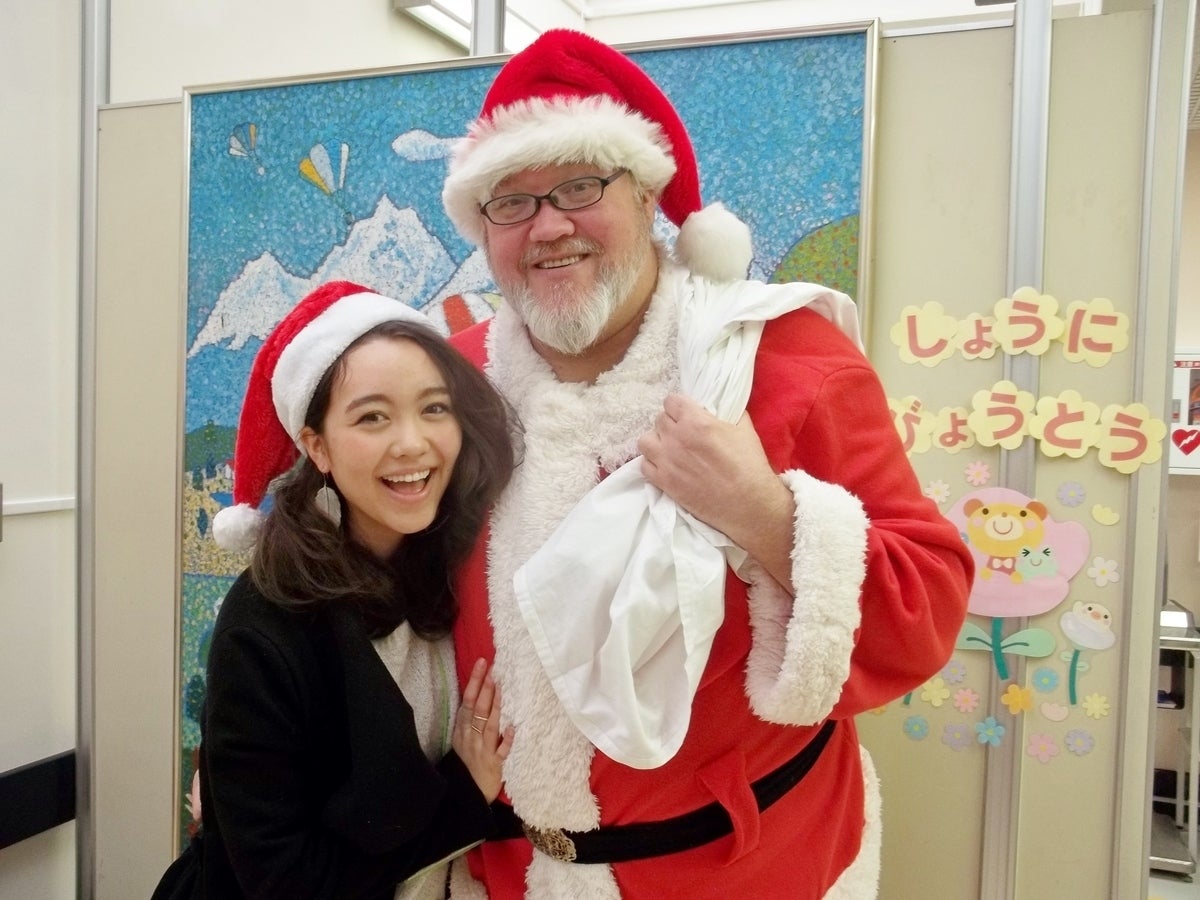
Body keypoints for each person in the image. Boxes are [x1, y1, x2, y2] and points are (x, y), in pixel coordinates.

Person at [438, 29, 974, 900]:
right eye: (511, 201)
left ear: (648, 195)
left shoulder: (789, 361)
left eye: (580, 186)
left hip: (746, 869)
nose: (549, 225)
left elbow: (927, 611)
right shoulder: (449, 390)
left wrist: (766, 516)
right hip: (504, 872)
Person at [170, 280, 518, 899]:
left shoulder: (454, 566)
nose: (412, 443)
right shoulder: (268, 624)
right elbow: (284, 882)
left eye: (434, 408)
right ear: (318, 447)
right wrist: (462, 798)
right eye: (372, 417)